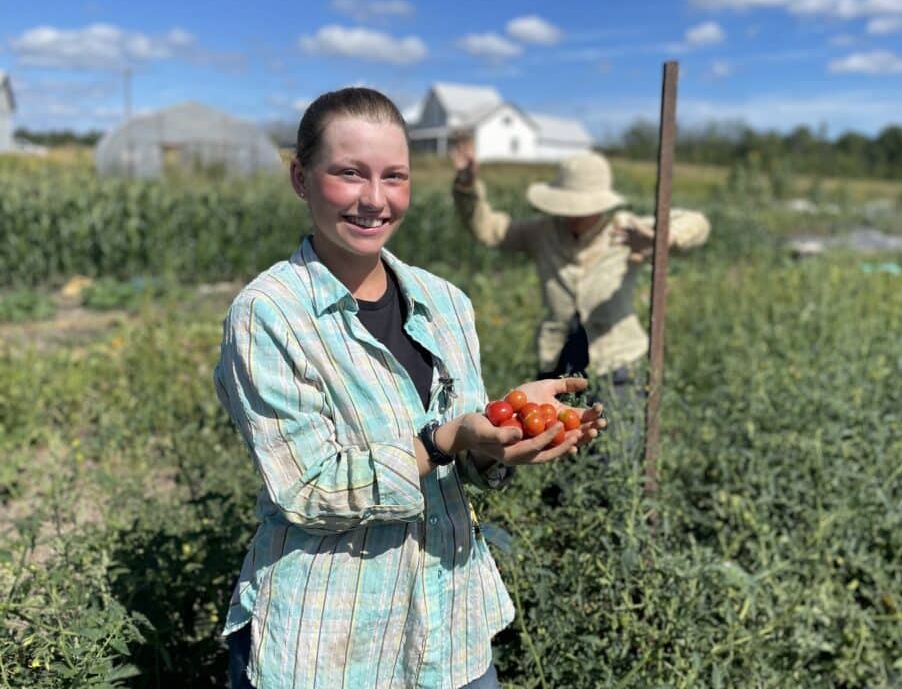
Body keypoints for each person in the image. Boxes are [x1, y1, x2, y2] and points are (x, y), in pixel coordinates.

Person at [214, 88, 604, 689]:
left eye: (394, 177)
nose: (375, 199)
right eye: (349, 173)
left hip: (451, 632)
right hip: (331, 646)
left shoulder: (445, 302)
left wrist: (501, 437)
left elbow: (465, 459)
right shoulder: (269, 315)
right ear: (301, 177)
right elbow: (306, 488)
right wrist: (443, 440)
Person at [450, 139, 711, 388]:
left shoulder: (624, 230)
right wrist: (467, 187)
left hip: (616, 362)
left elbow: (697, 223)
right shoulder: (543, 232)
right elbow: (491, 230)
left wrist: (665, 237)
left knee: (617, 432)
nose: (572, 216)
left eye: (581, 210)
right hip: (558, 359)